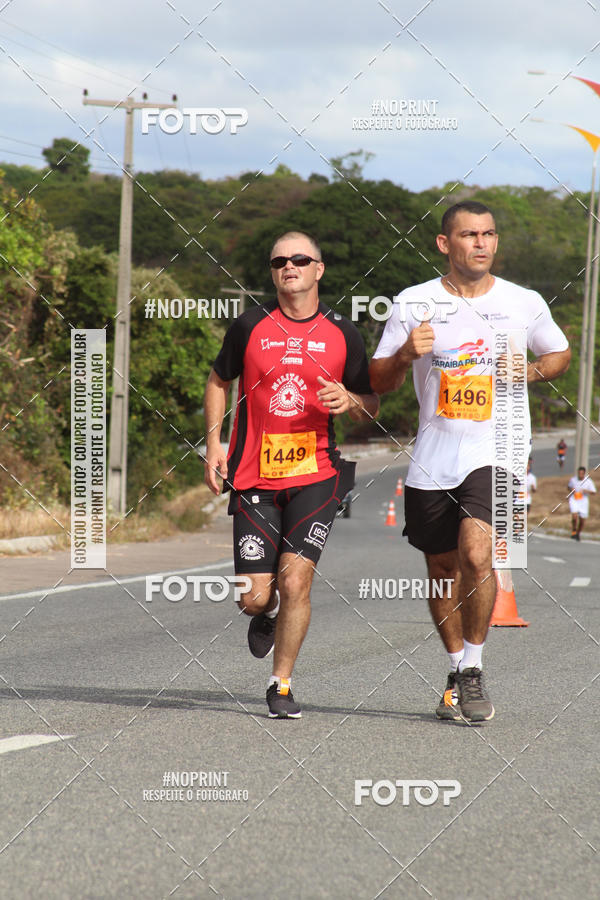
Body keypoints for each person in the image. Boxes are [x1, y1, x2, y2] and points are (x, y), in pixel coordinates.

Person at [369, 200, 570, 723]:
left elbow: (559, 354)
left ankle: (475, 669)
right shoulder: (414, 303)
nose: (481, 243)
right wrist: (405, 355)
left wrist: (531, 370)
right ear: (445, 244)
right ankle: (456, 670)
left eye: (489, 234)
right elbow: (379, 382)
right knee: (440, 569)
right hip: (434, 455)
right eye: (469, 235)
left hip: (498, 449)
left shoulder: (523, 302)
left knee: (478, 555)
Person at [204, 231, 379, 718]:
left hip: (316, 475)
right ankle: (268, 614)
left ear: (319, 270)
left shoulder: (344, 333)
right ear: (273, 271)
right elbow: (219, 381)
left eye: (300, 259)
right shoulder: (249, 326)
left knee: (297, 580)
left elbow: (370, 402)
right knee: (255, 599)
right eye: (280, 260)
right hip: (254, 475)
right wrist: (214, 443)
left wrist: (352, 402)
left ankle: (280, 683)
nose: (290, 267)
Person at [568, 466, 596, 540]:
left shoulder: (589, 481)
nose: (580, 475)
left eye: (582, 474)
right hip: (574, 500)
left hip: (583, 502)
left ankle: (578, 533)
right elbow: (568, 487)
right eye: (579, 473)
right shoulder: (573, 480)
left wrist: (586, 491)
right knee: (574, 516)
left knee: (582, 521)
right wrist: (571, 489)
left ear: (584, 474)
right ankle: (574, 530)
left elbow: (594, 492)